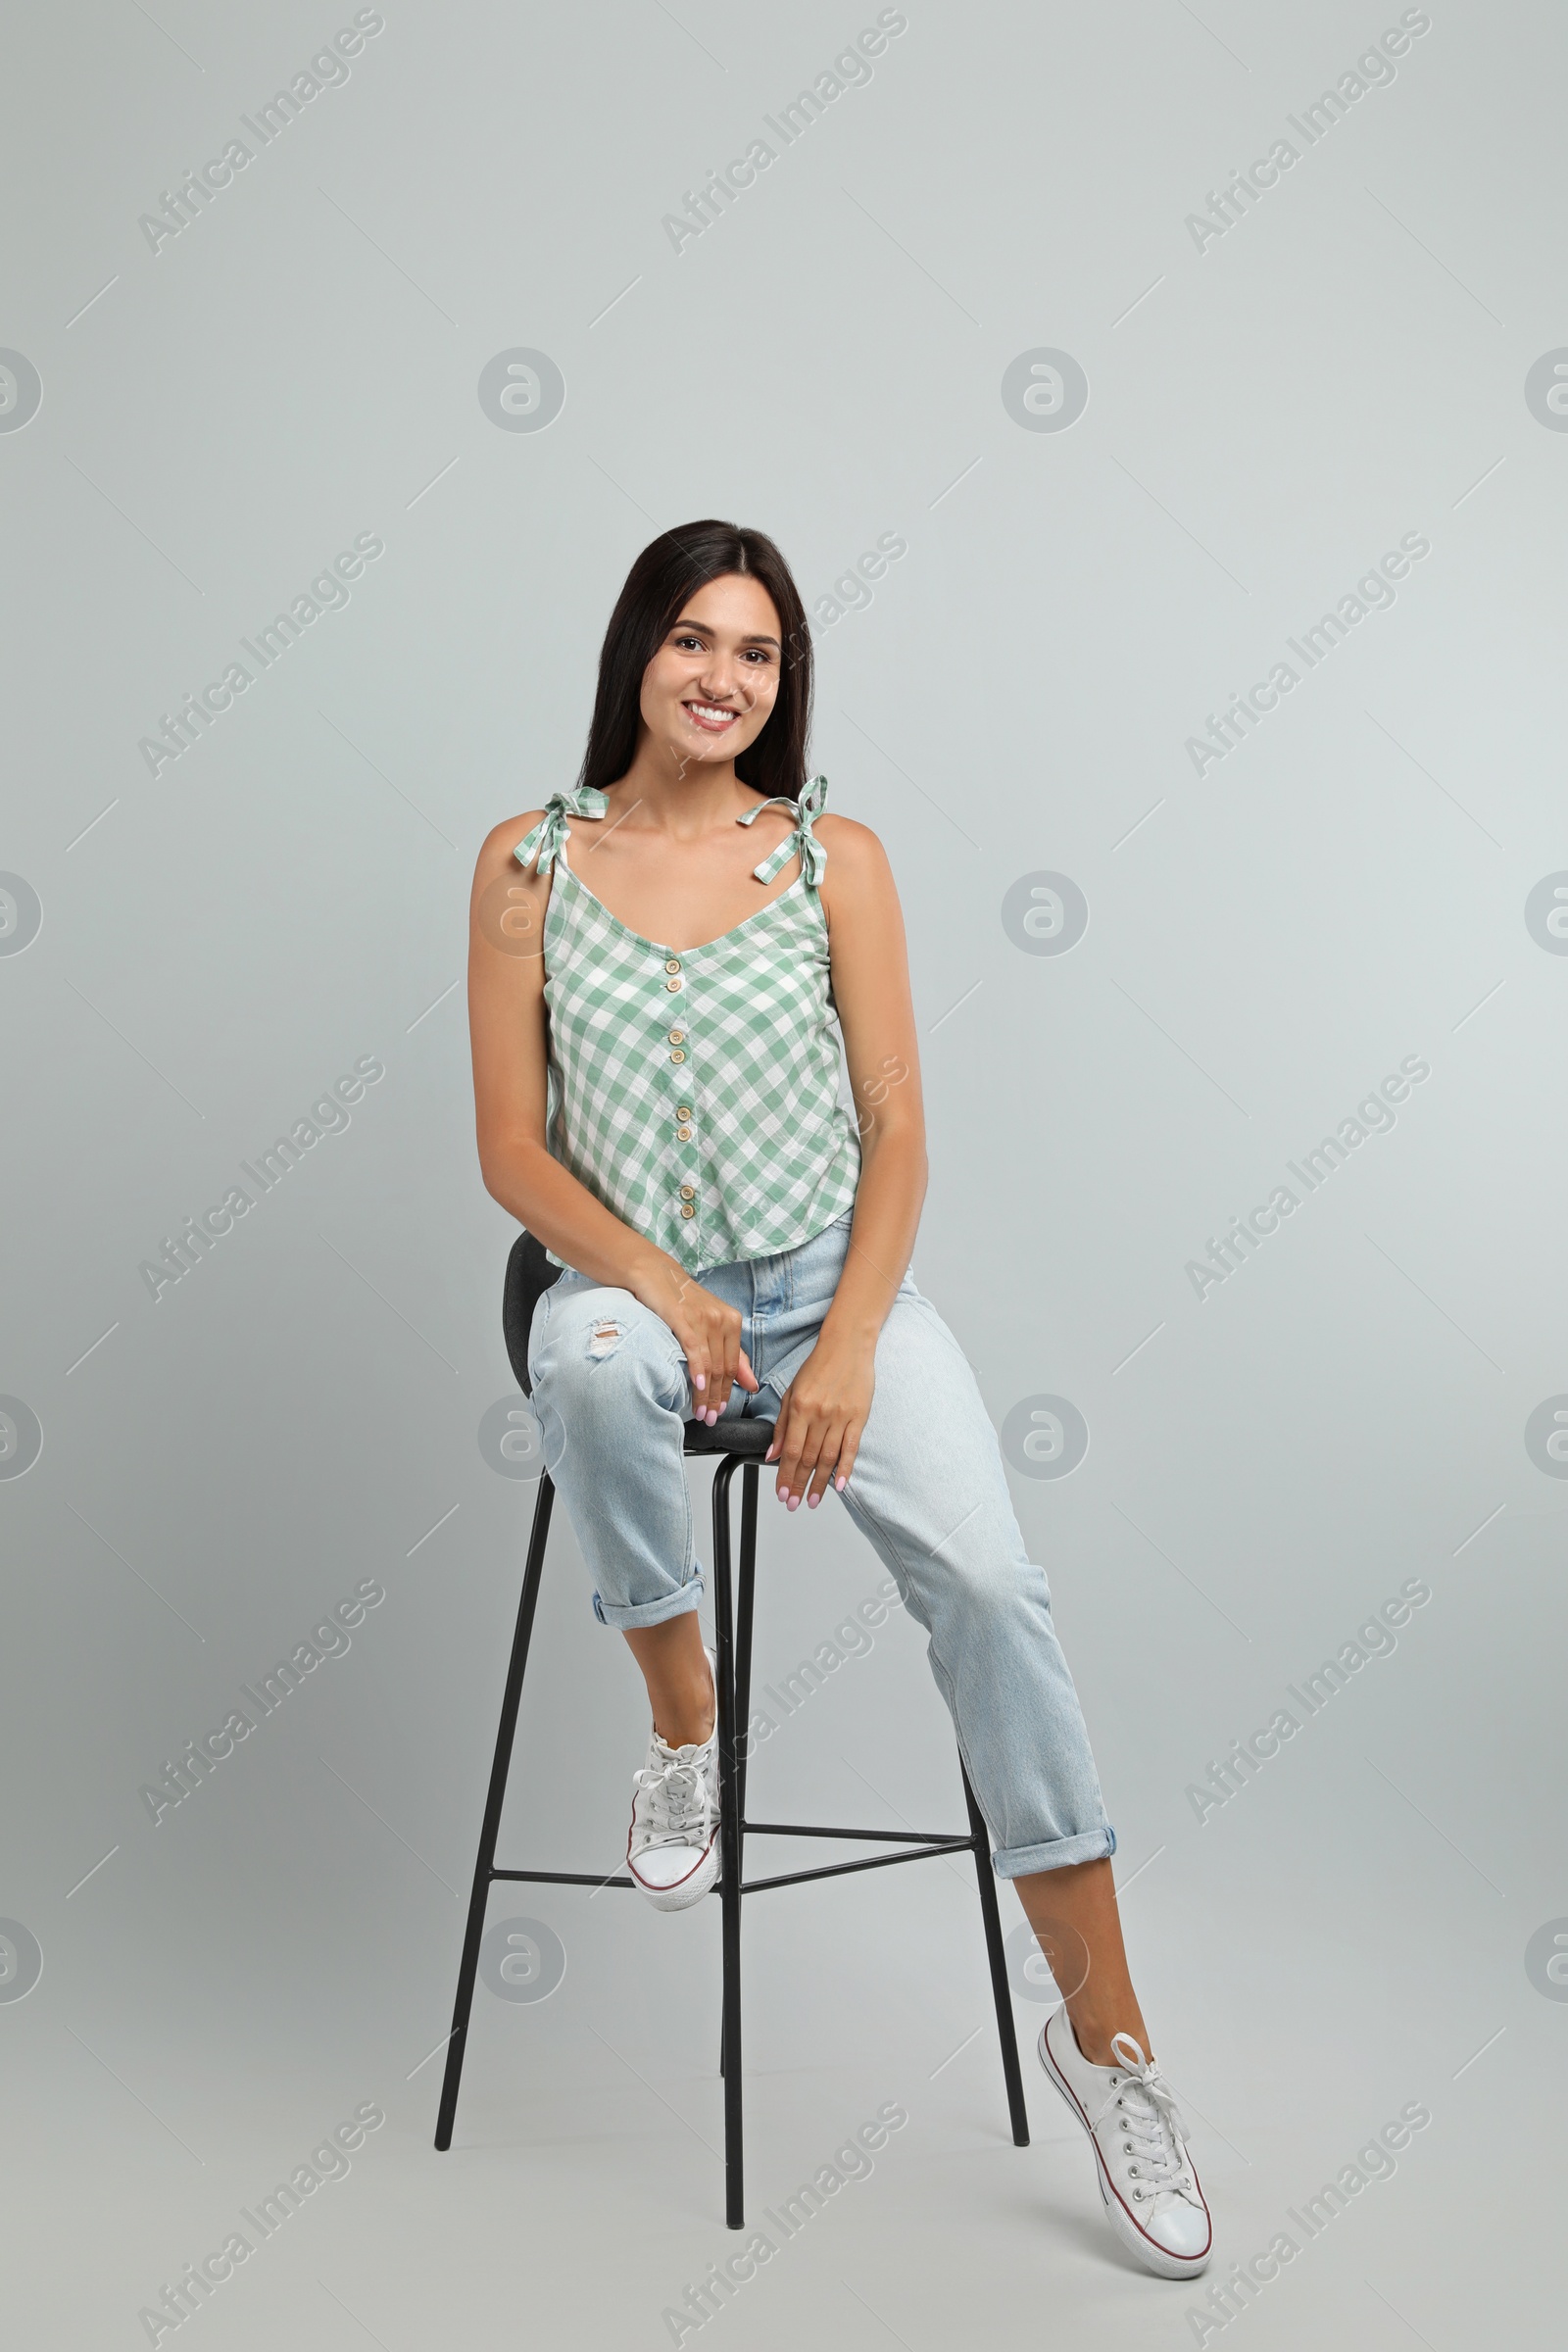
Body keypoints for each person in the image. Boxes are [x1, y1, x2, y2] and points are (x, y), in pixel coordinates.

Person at [466, 519, 1212, 2280]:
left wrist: (853, 1343)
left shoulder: (832, 861)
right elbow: (511, 1148)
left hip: (831, 1286)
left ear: (783, 683)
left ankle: (1110, 2047)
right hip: (633, 1293)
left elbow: (896, 1132)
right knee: (583, 1359)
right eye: (693, 639)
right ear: (635, 650)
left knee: (991, 1590)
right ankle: (682, 1719)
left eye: (760, 651)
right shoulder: (525, 863)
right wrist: (659, 1286)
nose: (724, 676)